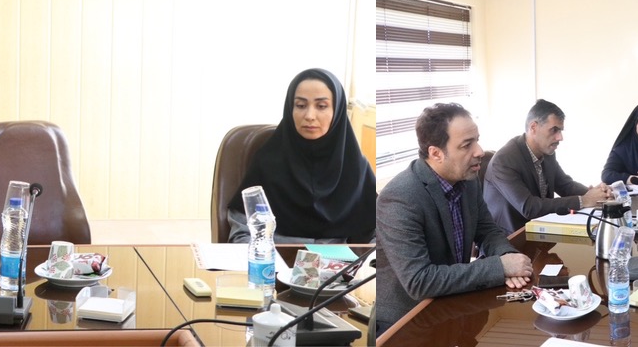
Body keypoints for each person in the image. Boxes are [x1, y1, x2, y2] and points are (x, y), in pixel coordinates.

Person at [374, 103, 531, 336]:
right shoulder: (400, 198)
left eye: (477, 140)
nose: (479, 151)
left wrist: (507, 256)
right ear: (436, 153)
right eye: (467, 145)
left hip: (452, 305)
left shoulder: (468, 179)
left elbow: (487, 231)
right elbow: (419, 281)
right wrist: (499, 267)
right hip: (408, 322)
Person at [227, 68, 375, 244]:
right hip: (274, 259)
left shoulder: (356, 168)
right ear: (290, 108)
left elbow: (378, 236)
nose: (310, 116)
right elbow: (241, 236)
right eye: (301, 105)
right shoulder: (266, 164)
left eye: (321, 106)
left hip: (342, 261)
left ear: (337, 111)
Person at [483, 99, 612, 233]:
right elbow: (529, 207)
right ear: (533, 127)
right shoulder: (504, 160)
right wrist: (584, 200)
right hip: (510, 238)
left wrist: (598, 194)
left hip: (540, 231)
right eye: (554, 130)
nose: (560, 137)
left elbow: (566, 185)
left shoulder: (547, 152)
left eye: (560, 131)